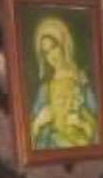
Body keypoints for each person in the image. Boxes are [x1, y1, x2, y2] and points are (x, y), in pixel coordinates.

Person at [29, 16, 99, 149]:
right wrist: (38, 122)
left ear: (64, 44)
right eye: (46, 52)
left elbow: (99, 129)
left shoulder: (82, 82)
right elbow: (30, 138)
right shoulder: (45, 89)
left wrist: (81, 123)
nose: (52, 56)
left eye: (54, 47)